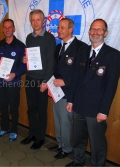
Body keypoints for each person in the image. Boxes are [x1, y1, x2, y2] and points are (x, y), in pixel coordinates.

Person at [65, 19, 120, 166]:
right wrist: (71, 100)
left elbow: (111, 85)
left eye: (99, 29)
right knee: (78, 138)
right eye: (93, 29)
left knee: (97, 143)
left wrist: (104, 110)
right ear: (89, 32)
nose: (95, 32)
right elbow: (76, 78)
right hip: (79, 104)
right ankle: (78, 161)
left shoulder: (113, 55)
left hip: (96, 109)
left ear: (105, 33)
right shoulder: (82, 51)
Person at [47, 18, 87, 159]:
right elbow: (55, 69)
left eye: (63, 27)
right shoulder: (59, 47)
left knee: (65, 122)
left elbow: (82, 73)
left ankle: (67, 148)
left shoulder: (81, 48)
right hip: (56, 91)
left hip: (69, 93)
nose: (59, 30)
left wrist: (66, 81)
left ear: (71, 29)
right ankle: (60, 144)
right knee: (58, 120)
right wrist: (50, 84)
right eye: (59, 27)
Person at [21, 9, 56, 149]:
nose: (35, 23)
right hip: (30, 78)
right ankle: (32, 134)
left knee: (41, 111)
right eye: (33, 20)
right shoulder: (29, 37)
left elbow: (51, 62)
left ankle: (40, 138)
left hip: (42, 80)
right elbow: (30, 57)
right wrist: (25, 59)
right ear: (31, 22)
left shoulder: (49, 38)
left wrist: (45, 81)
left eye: (38, 20)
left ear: (43, 21)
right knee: (31, 109)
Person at [0, 19, 26, 142]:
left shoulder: (20, 46)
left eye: (9, 27)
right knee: (3, 106)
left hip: (14, 82)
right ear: (3, 29)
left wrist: (14, 74)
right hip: (0, 82)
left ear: (14, 29)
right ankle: (4, 128)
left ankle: (14, 130)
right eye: (5, 27)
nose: (7, 30)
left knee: (13, 108)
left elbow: (24, 66)